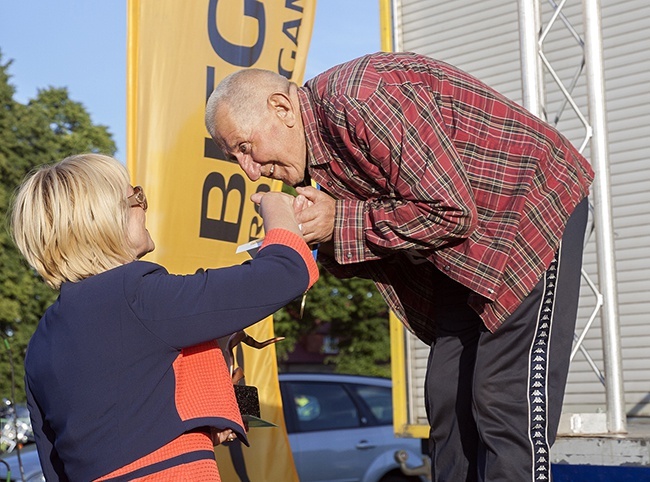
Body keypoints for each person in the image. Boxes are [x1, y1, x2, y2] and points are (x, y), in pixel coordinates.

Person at [205, 51, 594, 481]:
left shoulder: (361, 97)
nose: (251, 170)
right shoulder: (323, 159)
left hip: (526, 213)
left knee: (501, 396)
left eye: (245, 148)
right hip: (461, 252)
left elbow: (450, 209)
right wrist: (316, 237)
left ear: (282, 107)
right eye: (236, 160)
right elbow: (389, 237)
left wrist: (340, 220)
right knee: (447, 395)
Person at [10, 153, 318, 481]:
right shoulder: (133, 293)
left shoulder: (42, 340)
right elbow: (286, 272)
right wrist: (278, 209)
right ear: (103, 218)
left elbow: (55, 464)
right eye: (136, 196)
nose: (144, 206)